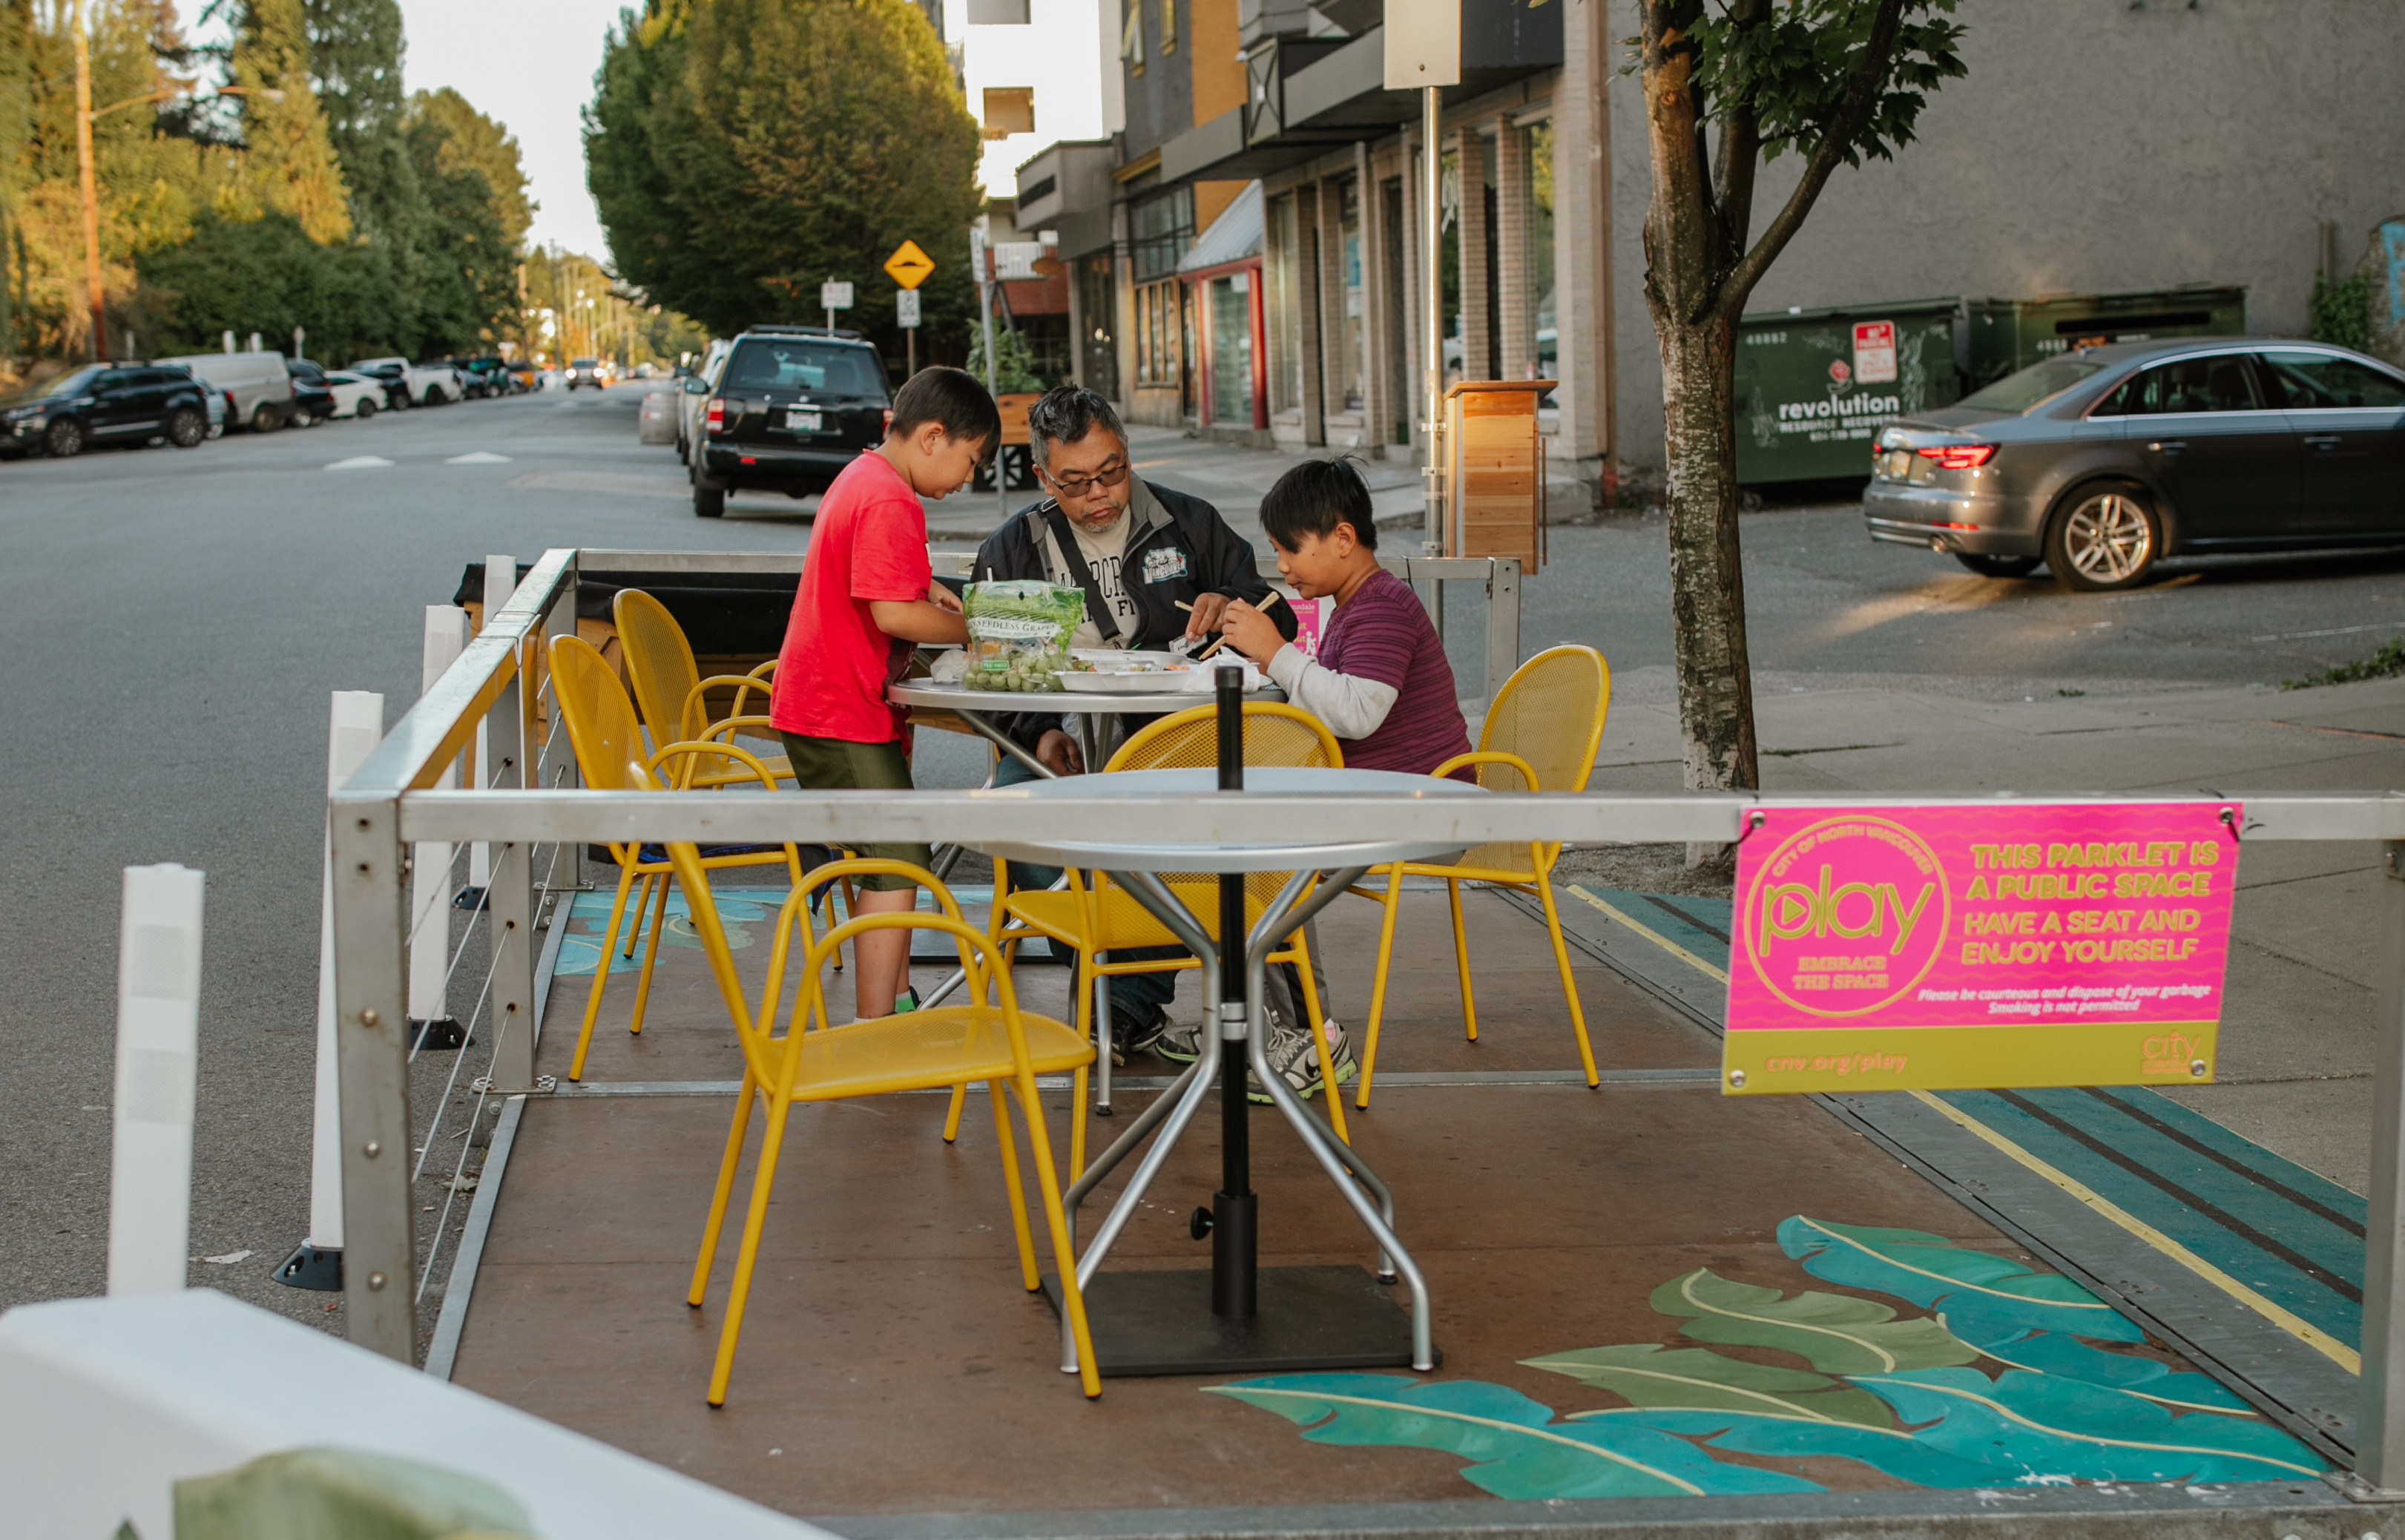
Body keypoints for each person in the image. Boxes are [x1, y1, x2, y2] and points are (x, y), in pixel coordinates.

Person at [970, 386, 1298, 1060]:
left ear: (1128, 454)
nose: (1101, 495)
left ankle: (1125, 1002)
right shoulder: (1014, 548)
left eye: (1113, 472)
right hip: (1066, 745)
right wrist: (1035, 732)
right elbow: (992, 669)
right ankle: (1111, 986)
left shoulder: (1190, 523)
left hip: (1184, 742)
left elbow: (1277, 613)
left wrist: (1230, 605)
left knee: (1186, 839)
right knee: (1015, 813)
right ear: (1042, 478)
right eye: (1077, 482)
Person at [766, 366, 995, 1021]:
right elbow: (892, 615)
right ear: (932, 437)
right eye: (969, 460)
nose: (966, 479)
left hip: (830, 700)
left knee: (892, 852)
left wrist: (928, 591)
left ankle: (895, 1001)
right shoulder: (894, 499)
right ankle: (878, 1026)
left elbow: (880, 584)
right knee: (897, 857)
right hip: (836, 706)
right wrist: (977, 629)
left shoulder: (864, 475)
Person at [1217, 456, 1473, 777]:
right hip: (1388, 792)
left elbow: (1356, 713)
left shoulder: (1383, 606)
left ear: (1343, 539)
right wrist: (1274, 666)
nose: (1282, 566)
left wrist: (1276, 651)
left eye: (1290, 550)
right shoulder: (1359, 602)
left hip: (1419, 800)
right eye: (1277, 551)